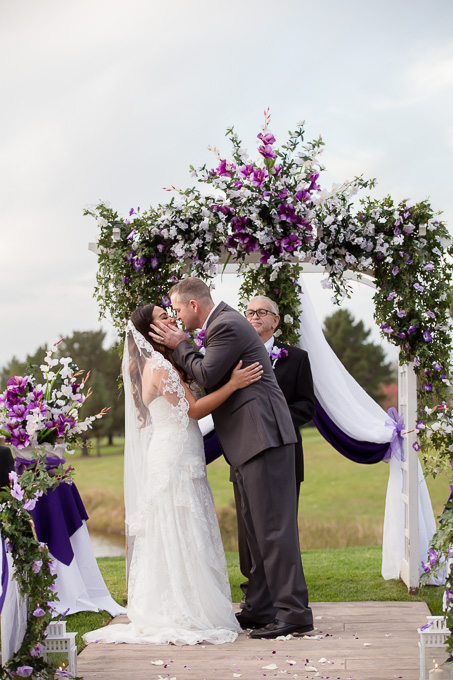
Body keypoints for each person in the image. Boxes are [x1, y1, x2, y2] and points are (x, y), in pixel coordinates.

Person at [83, 303, 263, 646]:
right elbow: (194, 410)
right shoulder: (159, 367)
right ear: (150, 331)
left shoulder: (164, 364)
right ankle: (181, 608)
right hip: (174, 458)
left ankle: (192, 603)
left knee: (187, 528)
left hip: (183, 453)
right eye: (164, 317)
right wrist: (234, 384)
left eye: (171, 314)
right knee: (179, 527)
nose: (172, 319)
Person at [150, 278, 314, 640]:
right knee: (255, 533)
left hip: (263, 438)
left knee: (274, 530)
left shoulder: (225, 324)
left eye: (177, 309)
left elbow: (206, 373)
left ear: (194, 306)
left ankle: (294, 613)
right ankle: (259, 608)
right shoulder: (222, 325)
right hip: (247, 441)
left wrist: (180, 345)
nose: (177, 316)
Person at [232, 295, 315, 604]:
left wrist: (270, 422)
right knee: (248, 533)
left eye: (261, 312)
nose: (254, 317)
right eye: (249, 312)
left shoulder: (297, 358)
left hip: (285, 455)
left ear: (275, 320)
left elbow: (307, 407)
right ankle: (255, 597)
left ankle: (284, 598)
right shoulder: (236, 358)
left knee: (281, 533)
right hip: (245, 456)